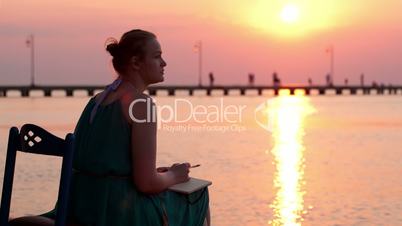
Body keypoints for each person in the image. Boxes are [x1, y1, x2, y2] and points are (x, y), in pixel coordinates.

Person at [9, 29, 210, 226]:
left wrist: (156, 174)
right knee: (198, 194)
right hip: (118, 212)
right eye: (157, 57)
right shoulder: (142, 105)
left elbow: (102, 163)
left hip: (79, 205)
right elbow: (146, 184)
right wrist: (175, 175)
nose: (164, 63)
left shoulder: (96, 102)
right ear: (136, 62)